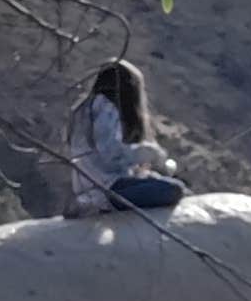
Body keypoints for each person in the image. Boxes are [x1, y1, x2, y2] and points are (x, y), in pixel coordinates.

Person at [64, 58, 184, 217]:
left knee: (164, 184)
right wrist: (151, 153)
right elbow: (111, 154)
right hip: (106, 189)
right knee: (173, 189)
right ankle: (95, 204)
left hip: (90, 186)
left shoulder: (84, 109)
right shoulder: (105, 107)